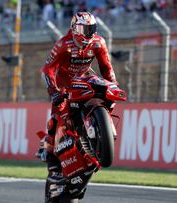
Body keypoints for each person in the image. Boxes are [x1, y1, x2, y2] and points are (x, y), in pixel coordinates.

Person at [39, 11, 117, 203]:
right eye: (85, 29)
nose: (89, 33)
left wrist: (112, 85)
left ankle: (100, 127)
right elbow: (47, 69)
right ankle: (51, 159)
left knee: (103, 90)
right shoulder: (63, 44)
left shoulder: (98, 42)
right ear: (74, 28)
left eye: (92, 28)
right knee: (55, 120)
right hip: (64, 84)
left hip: (84, 77)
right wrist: (54, 91)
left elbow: (106, 67)